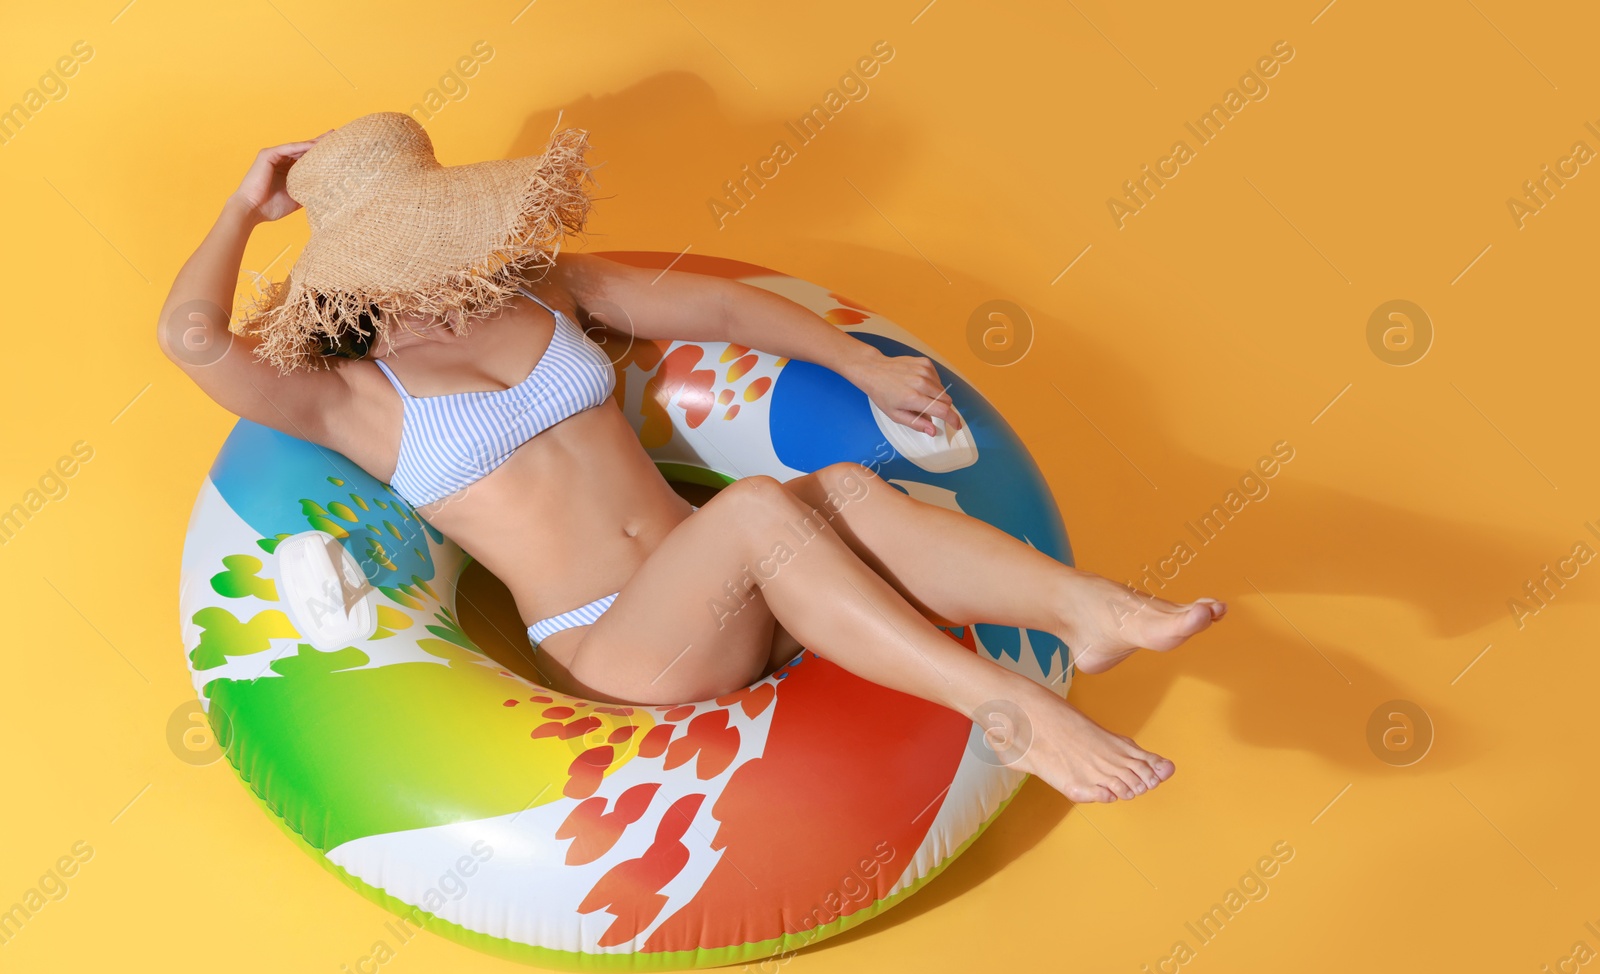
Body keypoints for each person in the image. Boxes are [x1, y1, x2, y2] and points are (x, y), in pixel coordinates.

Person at [156, 113, 1226, 804]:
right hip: (618, 653)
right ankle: (1009, 709)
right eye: (399, 258)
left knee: (841, 490)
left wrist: (861, 365)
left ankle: (1087, 609)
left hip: (733, 581)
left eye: (434, 238)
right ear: (351, 277)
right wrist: (244, 204)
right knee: (764, 510)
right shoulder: (343, 398)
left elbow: (710, 302)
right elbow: (192, 340)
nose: (433, 271)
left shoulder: (541, 289)